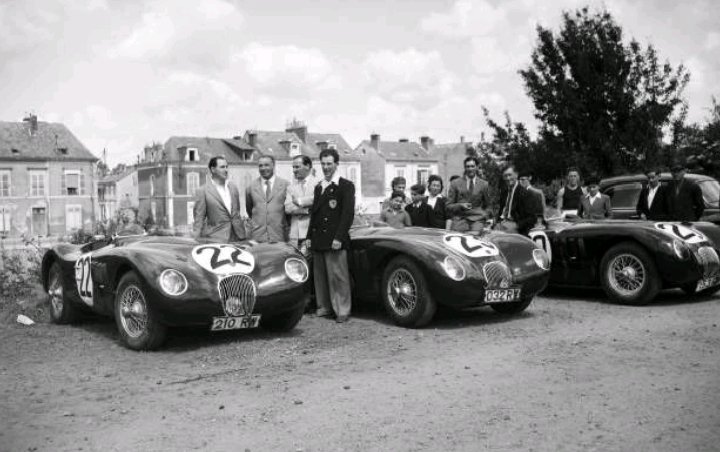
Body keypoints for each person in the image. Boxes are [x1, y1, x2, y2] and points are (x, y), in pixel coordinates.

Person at [306, 148, 355, 323]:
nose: (326, 167)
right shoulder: (319, 187)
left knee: (338, 277)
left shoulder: (346, 186)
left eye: (329, 164)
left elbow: (347, 215)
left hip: (335, 239)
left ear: (336, 164)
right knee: (320, 276)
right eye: (323, 164)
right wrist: (309, 236)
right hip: (319, 238)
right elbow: (315, 214)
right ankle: (324, 307)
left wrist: (339, 238)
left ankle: (342, 310)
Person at [192, 156, 246, 242]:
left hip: (238, 237)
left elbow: (236, 213)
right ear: (213, 169)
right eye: (222, 167)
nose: (226, 170)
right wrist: (195, 240)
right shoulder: (203, 191)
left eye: (226, 167)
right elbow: (199, 219)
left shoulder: (233, 188)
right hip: (217, 239)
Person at [245, 155, 289, 242]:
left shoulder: (285, 185)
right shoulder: (251, 187)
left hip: (279, 236)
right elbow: (250, 210)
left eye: (266, 165)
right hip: (258, 237)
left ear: (273, 165)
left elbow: (288, 212)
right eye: (260, 166)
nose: (263, 168)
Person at [446, 156, 491, 232]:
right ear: (465, 168)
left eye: (472, 166)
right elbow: (448, 206)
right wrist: (460, 205)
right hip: (460, 219)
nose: (470, 169)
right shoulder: (455, 183)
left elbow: (488, 205)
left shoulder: (484, 184)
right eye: (468, 166)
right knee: (456, 239)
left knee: (475, 239)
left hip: (477, 219)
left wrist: (485, 216)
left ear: (477, 167)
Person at [285, 155, 318, 252]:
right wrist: (307, 210)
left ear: (307, 166)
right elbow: (287, 208)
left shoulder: (319, 184)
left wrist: (299, 201)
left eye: (297, 167)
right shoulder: (291, 187)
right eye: (293, 167)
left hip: (312, 233)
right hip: (295, 236)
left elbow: (317, 201)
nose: (294, 170)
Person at [495, 165, 537, 236]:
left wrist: (517, 225)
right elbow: (501, 211)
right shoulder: (504, 193)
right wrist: (496, 222)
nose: (508, 178)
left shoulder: (526, 194)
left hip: (516, 227)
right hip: (502, 224)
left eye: (509, 175)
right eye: (505, 176)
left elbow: (532, 218)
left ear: (516, 175)